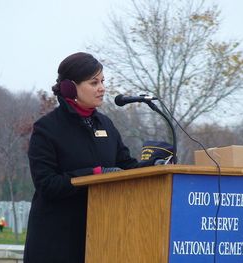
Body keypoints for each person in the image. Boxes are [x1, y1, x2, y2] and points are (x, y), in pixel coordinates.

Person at [23, 52, 161, 263]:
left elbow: (126, 167)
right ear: (70, 87)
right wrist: (93, 174)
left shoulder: (105, 125)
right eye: (94, 82)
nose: (102, 88)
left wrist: (155, 166)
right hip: (56, 241)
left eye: (103, 81)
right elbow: (47, 184)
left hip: (101, 237)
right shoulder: (47, 129)